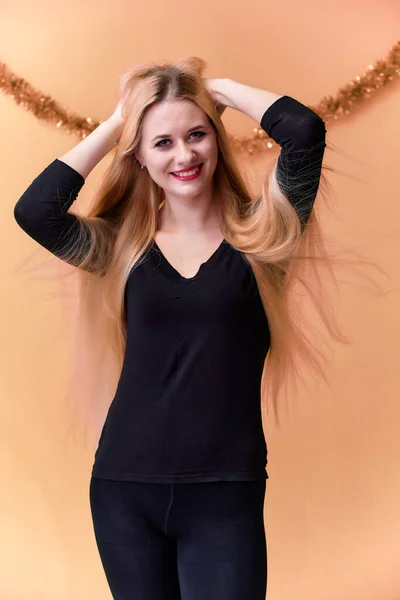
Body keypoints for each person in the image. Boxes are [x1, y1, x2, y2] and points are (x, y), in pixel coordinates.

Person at [14, 57, 329, 599]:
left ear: (216, 137)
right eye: (162, 142)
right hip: (123, 491)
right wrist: (122, 120)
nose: (184, 155)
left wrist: (214, 89)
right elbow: (36, 210)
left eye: (197, 134)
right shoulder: (120, 251)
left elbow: (304, 133)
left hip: (225, 494)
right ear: (138, 155)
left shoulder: (266, 239)